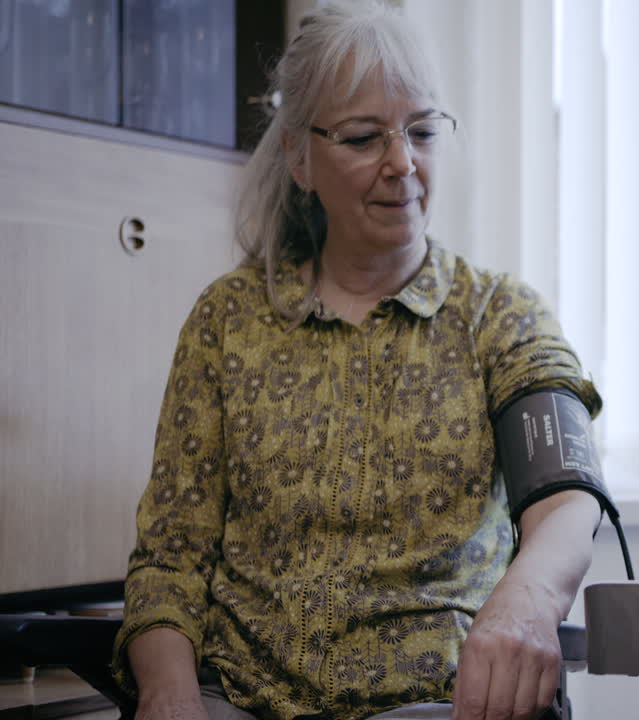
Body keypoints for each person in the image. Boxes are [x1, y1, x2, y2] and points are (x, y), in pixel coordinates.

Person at [110, 3, 603, 720]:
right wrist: (168, 691)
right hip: (245, 702)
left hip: (436, 705)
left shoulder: (500, 316)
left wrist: (525, 604)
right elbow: (169, 559)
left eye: (423, 132)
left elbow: (567, 494)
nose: (403, 163)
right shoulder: (229, 321)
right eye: (364, 138)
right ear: (298, 157)